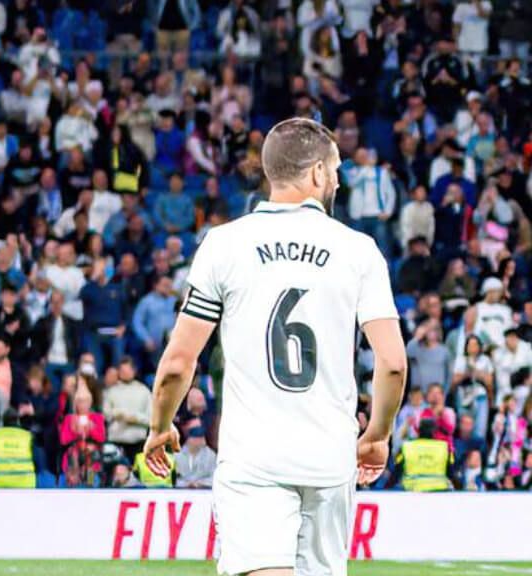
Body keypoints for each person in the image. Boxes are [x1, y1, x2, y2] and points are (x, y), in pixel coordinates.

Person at [144, 118, 406, 576]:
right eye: (335, 169)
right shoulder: (359, 250)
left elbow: (178, 363)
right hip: (330, 457)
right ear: (318, 173)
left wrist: (160, 425)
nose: (338, 180)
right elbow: (392, 363)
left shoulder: (224, 244)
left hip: (255, 455)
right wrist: (378, 435)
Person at [103, 357, 151, 462]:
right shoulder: (111, 391)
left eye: (127, 371)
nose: (124, 374)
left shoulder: (144, 391)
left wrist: (136, 418)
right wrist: (117, 414)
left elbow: (151, 418)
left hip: (138, 442)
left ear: (134, 371)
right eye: (122, 371)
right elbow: (105, 414)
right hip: (116, 441)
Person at [395, 418, 453, 492]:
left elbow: (396, 472)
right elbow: (451, 473)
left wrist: (386, 489)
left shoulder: (406, 447)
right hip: (438, 492)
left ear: (418, 430)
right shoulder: (444, 447)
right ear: (435, 432)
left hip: (412, 491)